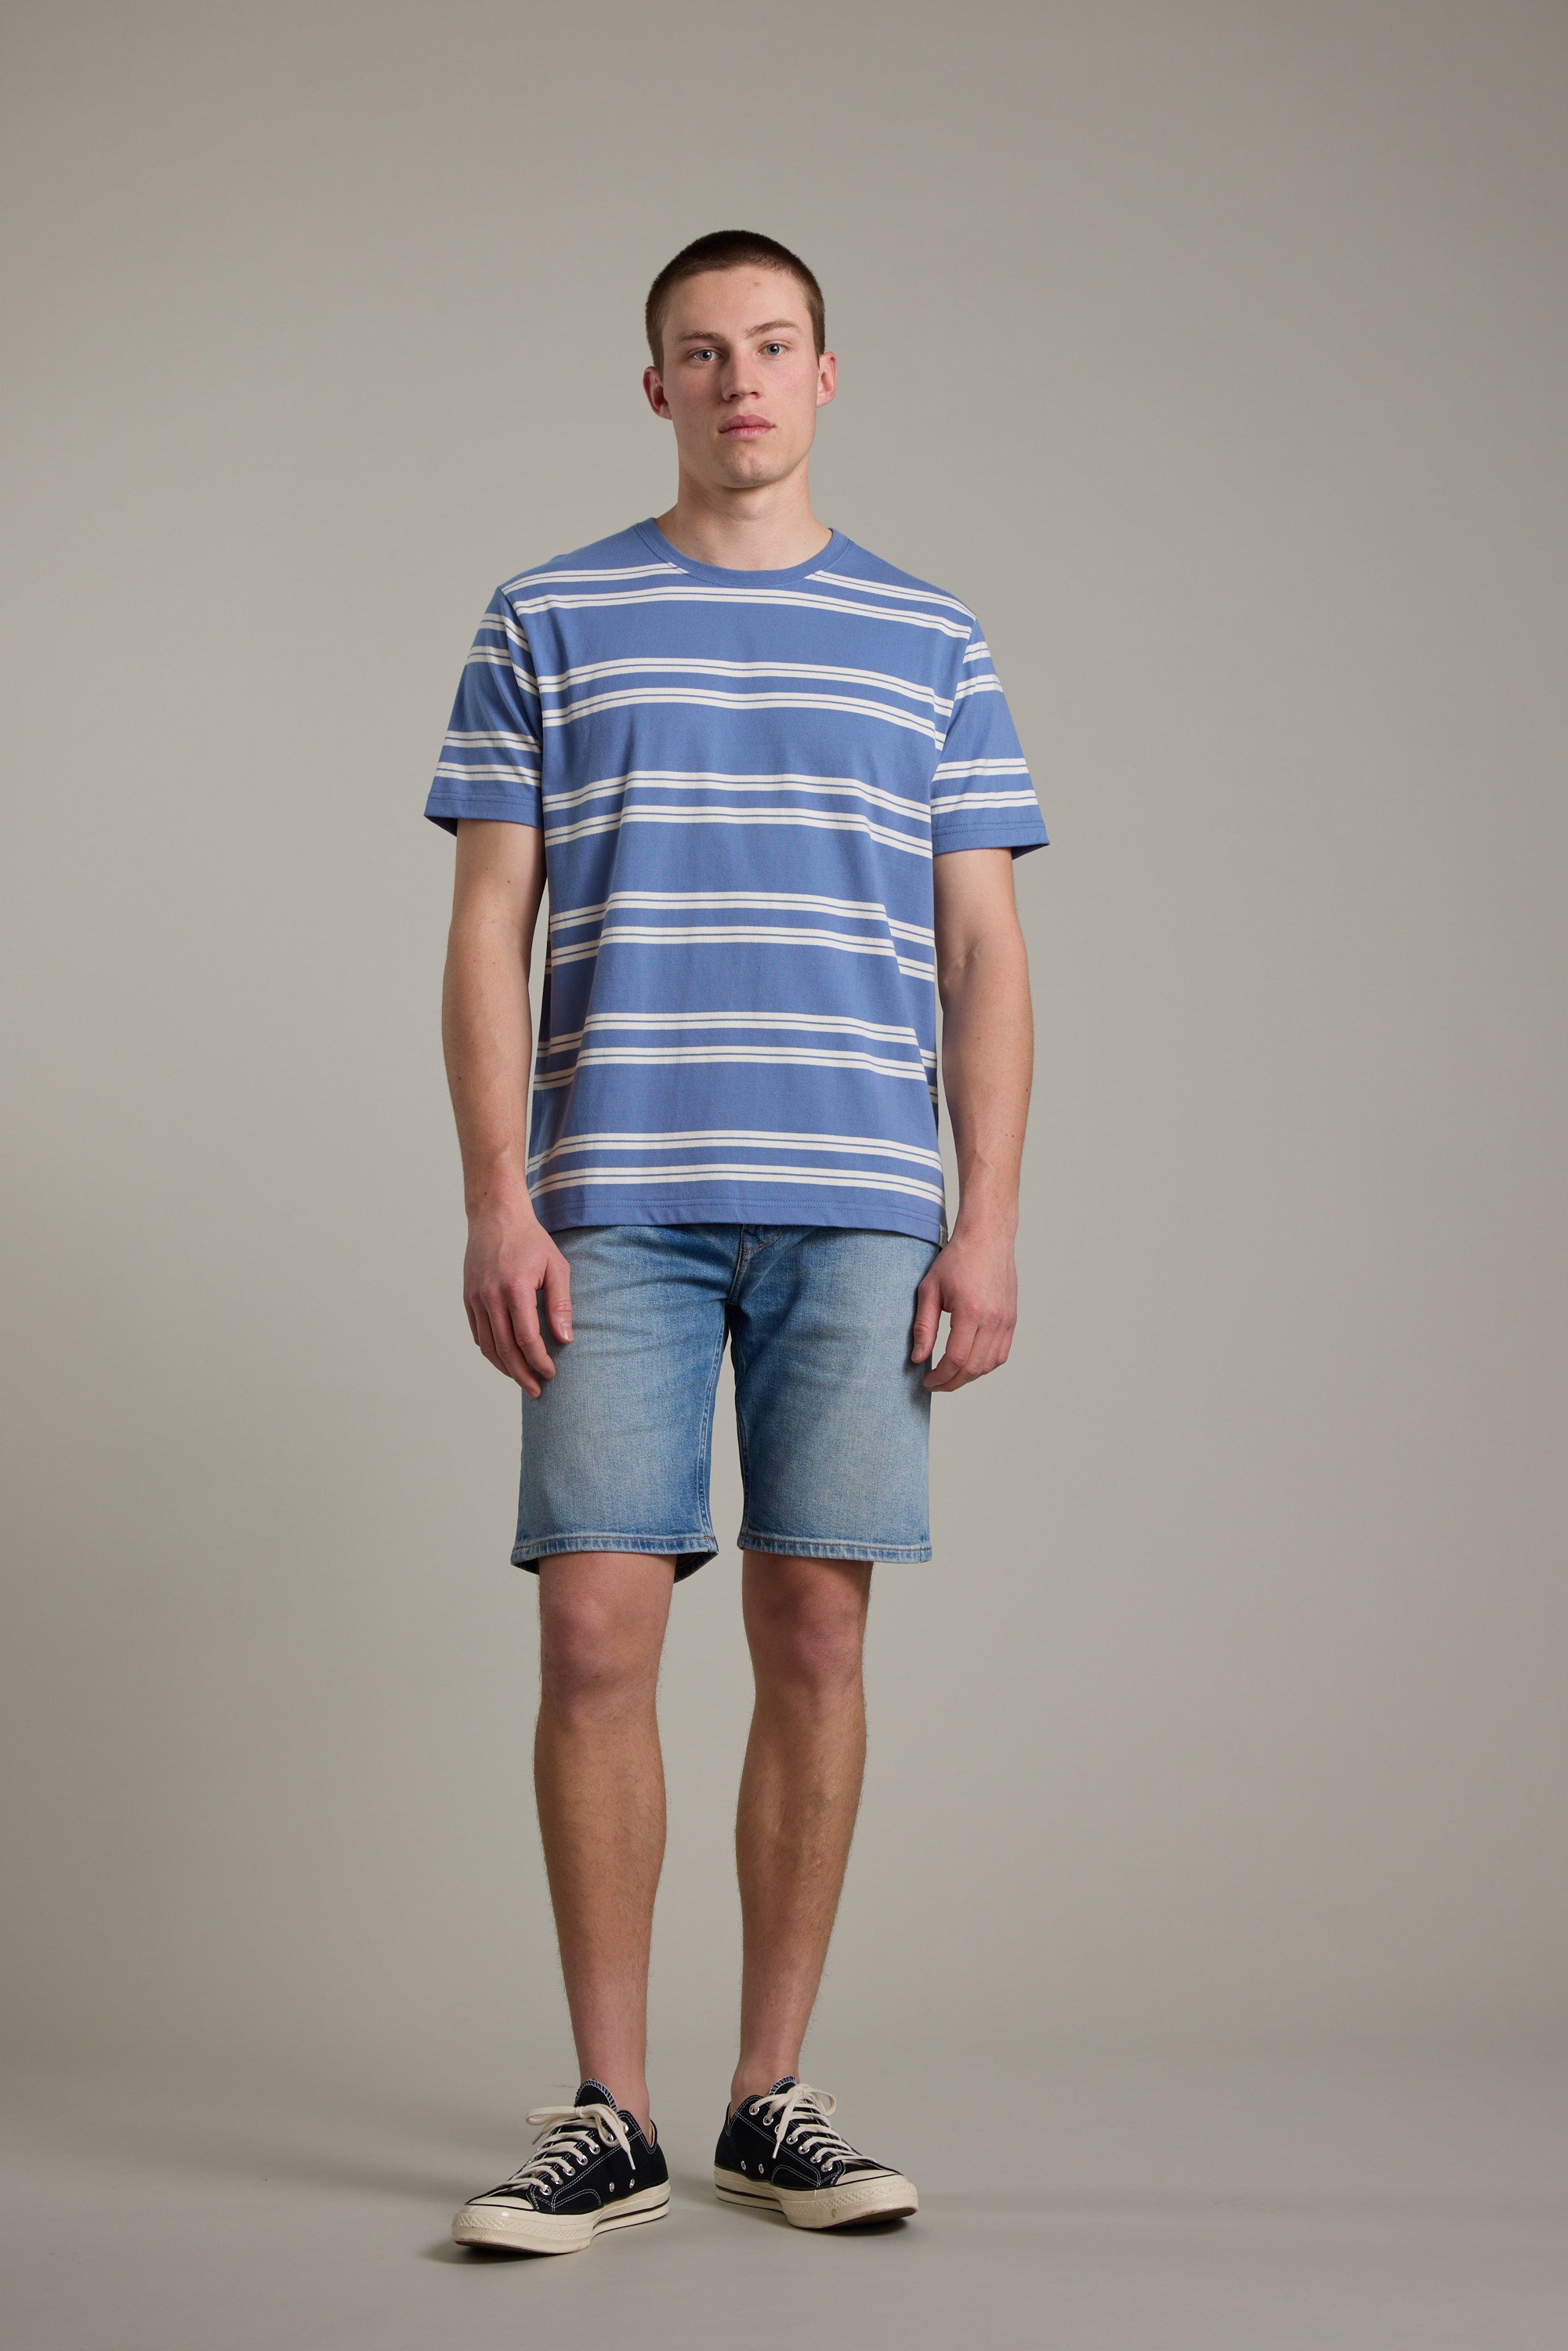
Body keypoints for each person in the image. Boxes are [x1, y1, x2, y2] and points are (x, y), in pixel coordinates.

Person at [425, 229, 1047, 2255]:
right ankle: (604, 2106)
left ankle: (767, 2094)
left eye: (773, 347)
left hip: (861, 1200)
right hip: (612, 1197)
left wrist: (990, 1222)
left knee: (816, 1628)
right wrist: (494, 1193)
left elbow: (982, 952)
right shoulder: (548, 615)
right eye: (702, 354)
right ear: (656, 391)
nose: (740, 382)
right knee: (594, 1623)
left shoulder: (927, 635)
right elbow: (484, 929)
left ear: (824, 375)